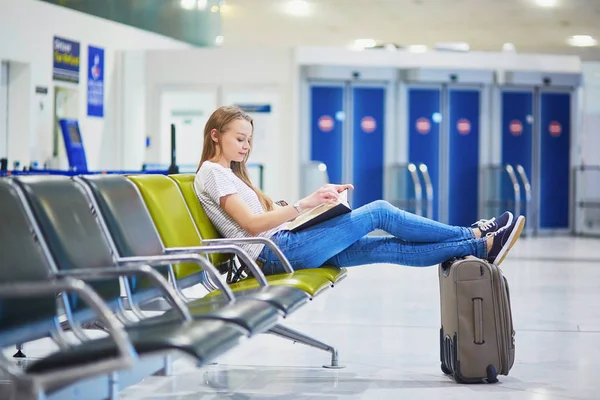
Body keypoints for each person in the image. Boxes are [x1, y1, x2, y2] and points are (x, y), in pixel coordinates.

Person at [194, 106, 525, 276]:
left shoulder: (229, 175)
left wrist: (315, 208)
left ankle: (481, 246)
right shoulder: (212, 172)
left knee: (386, 248)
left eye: (249, 140)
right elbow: (252, 226)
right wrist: (302, 204)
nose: (246, 146)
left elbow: (258, 220)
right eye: (240, 138)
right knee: (379, 211)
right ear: (215, 136)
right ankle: (474, 231)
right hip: (274, 253)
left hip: (284, 247)